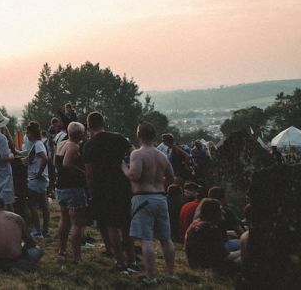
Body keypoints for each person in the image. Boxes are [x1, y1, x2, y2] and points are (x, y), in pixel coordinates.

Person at [122, 121, 175, 284]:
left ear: (139, 135)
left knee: (147, 239)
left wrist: (124, 167)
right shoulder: (162, 155)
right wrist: (161, 187)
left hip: (143, 198)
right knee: (166, 238)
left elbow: (134, 176)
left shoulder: (137, 154)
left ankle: (150, 277)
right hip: (160, 197)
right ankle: (170, 274)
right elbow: (171, 177)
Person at [83, 111, 134, 271]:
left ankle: (120, 261)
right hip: (123, 185)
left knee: (111, 225)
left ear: (89, 126)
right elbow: (133, 153)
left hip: (102, 188)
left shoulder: (89, 145)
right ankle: (132, 260)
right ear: (103, 123)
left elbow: (89, 173)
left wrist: (91, 192)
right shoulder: (118, 138)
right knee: (126, 225)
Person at [0, 196, 42, 271]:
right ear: (4, 206)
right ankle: (21, 264)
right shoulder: (17, 217)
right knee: (37, 250)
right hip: (16, 260)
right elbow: (30, 243)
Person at [54, 121, 87, 264]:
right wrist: (83, 173)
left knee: (64, 219)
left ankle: (61, 250)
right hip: (73, 188)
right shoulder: (74, 146)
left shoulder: (61, 144)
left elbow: (57, 163)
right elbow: (66, 164)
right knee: (77, 223)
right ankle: (77, 257)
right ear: (79, 134)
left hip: (60, 187)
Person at [184, 198, 240, 275]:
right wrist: (244, 250)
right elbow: (226, 257)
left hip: (196, 264)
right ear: (214, 212)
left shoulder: (197, 223)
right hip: (209, 269)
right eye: (221, 209)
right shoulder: (210, 229)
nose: (223, 211)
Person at [22, 121, 49, 238]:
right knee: (44, 205)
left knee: (31, 205)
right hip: (42, 180)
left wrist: (38, 172)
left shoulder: (38, 144)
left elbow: (45, 158)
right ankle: (45, 230)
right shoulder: (38, 144)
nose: (26, 135)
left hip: (36, 179)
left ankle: (38, 231)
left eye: (27, 133)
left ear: (32, 133)